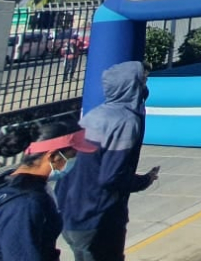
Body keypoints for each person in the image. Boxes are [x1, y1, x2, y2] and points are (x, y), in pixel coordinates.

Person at [57, 61, 160, 261]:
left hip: (71, 216)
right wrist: (144, 181)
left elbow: (68, 166)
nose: (146, 87)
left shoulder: (94, 115)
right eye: (144, 80)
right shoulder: (126, 121)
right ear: (131, 86)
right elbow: (111, 177)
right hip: (98, 218)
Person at [0, 119, 97, 261]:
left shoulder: (6, 181)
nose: (77, 160)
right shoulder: (25, 204)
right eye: (73, 155)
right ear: (53, 156)